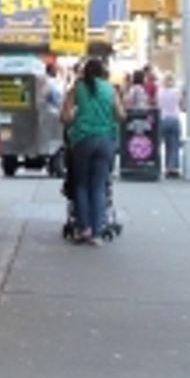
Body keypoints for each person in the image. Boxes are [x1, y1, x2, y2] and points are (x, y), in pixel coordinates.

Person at [60, 56, 122, 245]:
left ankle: (83, 228)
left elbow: (65, 117)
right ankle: (97, 233)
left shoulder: (76, 89)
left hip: (82, 140)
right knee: (99, 186)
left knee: (81, 185)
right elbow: (120, 115)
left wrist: (77, 118)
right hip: (105, 140)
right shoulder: (110, 89)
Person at [158, 71, 183, 177]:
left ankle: (160, 166)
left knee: (161, 144)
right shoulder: (176, 91)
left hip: (163, 119)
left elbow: (158, 104)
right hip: (174, 118)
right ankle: (171, 168)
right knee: (174, 145)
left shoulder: (160, 91)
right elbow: (181, 104)